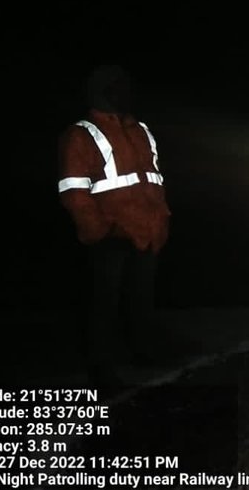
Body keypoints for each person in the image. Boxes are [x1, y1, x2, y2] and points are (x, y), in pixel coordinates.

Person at [57, 64, 171, 392]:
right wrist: (97, 230)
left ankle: (142, 352)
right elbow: (73, 190)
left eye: (127, 86)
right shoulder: (81, 134)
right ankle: (101, 369)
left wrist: (161, 219)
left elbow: (153, 178)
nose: (128, 92)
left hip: (146, 231)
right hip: (109, 235)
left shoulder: (140, 129)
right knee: (103, 306)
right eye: (119, 87)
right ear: (104, 92)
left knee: (140, 300)